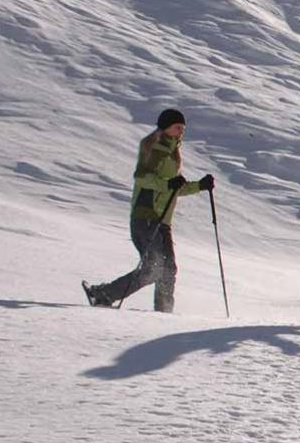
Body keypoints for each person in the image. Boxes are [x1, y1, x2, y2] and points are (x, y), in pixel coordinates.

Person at [82, 109, 213, 311]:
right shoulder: (153, 148)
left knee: (168, 268)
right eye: (177, 127)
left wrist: (200, 186)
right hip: (146, 215)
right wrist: (169, 184)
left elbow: (173, 188)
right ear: (166, 127)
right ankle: (103, 294)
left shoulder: (172, 153)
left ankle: (163, 312)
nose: (181, 131)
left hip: (163, 221)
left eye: (183, 128)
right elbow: (142, 178)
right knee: (153, 268)